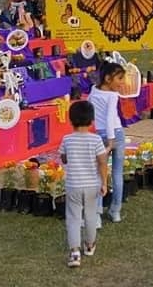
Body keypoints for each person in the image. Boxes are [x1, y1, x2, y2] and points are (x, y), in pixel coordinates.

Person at [59, 100, 108, 268]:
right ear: (91, 120)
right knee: (90, 216)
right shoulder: (95, 140)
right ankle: (89, 244)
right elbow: (102, 162)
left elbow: (64, 158)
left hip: (73, 184)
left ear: (71, 120)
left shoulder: (67, 139)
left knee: (73, 218)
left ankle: (74, 252)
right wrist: (104, 183)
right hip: (92, 185)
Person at [87, 61, 125, 223]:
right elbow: (110, 118)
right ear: (108, 79)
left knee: (99, 174)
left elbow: (89, 107)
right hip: (114, 134)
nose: (122, 83)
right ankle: (115, 210)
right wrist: (111, 140)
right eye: (120, 79)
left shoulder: (93, 91)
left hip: (100, 134)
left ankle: (97, 212)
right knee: (117, 173)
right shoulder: (112, 95)